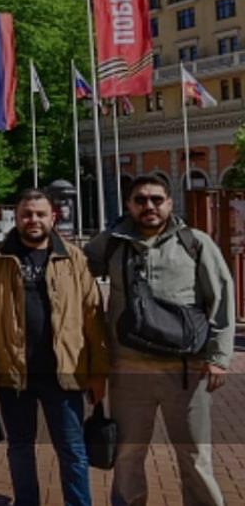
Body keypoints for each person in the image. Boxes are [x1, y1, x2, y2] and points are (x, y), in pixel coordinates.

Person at [85, 175, 235, 506]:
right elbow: (71, 269)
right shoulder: (111, 243)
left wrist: (219, 357)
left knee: (195, 456)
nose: (149, 206)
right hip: (128, 371)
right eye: (140, 200)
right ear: (129, 205)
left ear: (169, 203)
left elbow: (222, 297)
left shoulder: (194, 243)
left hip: (185, 371)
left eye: (156, 199)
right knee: (127, 456)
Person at [0, 188, 110, 506]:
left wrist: (98, 371)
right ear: (16, 217)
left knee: (71, 449)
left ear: (53, 217)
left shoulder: (73, 257)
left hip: (65, 371)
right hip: (13, 371)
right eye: (26, 214)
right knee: (21, 448)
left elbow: (93, 315)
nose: (33, 220)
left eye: (40, 214)